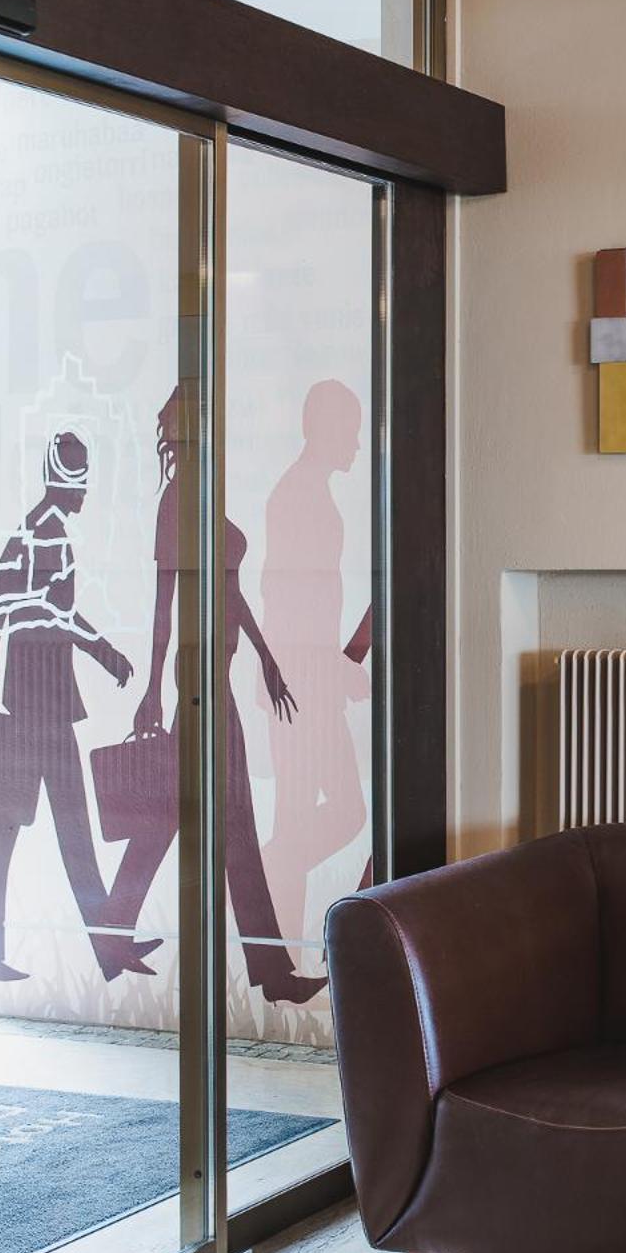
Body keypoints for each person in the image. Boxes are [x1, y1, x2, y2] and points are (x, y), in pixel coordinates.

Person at [103, 389, 325, 1004]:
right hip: (198, 678)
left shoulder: (202, 497)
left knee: (169, 814)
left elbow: (231, 589)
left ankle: (112, 930)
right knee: (233, 821)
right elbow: (163, 605)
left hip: (216, 674)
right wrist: (152, 688)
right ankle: (272, 974)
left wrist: (265, 656)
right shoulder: (176, 503)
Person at [0, 432, 157, 982]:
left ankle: (109, 948)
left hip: (39, 701)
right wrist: (104, 651)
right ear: (61, 480)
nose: (86, 491)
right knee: (15, 831)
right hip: (32, 706)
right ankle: (103, 948)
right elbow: (37, 613)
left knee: (65, 831)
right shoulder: (42, 533)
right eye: (79, 479)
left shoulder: (41, 530)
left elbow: (30, 610)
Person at [259, 380, 370, 938]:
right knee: (335, 813)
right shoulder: (298, 495)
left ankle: (281, 954)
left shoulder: (308, 491)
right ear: (327, 429)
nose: (358, 444)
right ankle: (256, 883)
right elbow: (285, 601)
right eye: (351, 431)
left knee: (304, 818)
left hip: (304, 679)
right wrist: (335, 667)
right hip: (299, 683)